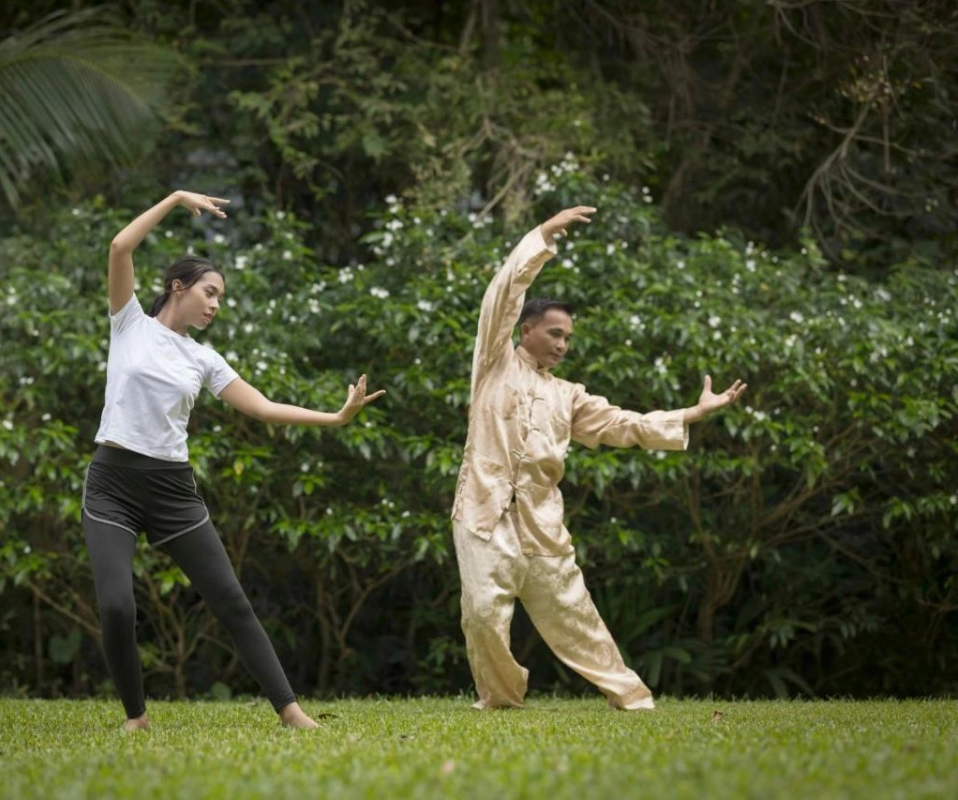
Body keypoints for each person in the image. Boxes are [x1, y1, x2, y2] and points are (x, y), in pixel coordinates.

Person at [84, 189, 385, 731]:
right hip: (113, 484)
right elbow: (120, 246)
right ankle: (136, 717)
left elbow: (263, 408)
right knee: (117, 607)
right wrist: (175, 199)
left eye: (220, 297)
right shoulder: (128, 323)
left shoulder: (203, 358)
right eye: (210, 292)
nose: (216, 305)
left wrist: (336, 417)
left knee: (231, 601)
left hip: (171, 488)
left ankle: (291, 712)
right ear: (178, 286)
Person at [452, 205, 746, 711]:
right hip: (482, 513)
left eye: (568, 338)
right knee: (481, 613)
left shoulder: (568, 395)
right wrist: (542, 236)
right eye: (555, 334)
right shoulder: (493, 363)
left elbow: (623, 424)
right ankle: (500, 699)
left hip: (541, 523)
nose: (563, 345)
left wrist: (692, 414)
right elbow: (501, 295)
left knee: (576, 617)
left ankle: (632, 698)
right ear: (525, 330)